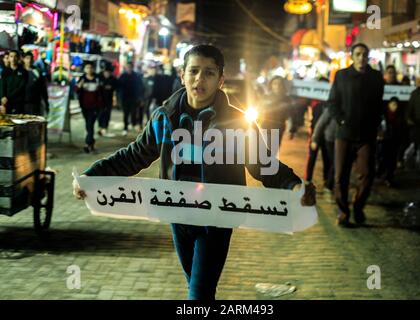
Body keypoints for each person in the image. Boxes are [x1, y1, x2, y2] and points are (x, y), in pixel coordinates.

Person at [72, 44, 316, 300]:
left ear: (220, 80)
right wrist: (92, 177)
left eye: (209, 73)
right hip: (178, 215)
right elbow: (135, 156)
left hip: (217, 218)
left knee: (198, 293)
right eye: (194, 71)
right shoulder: (163, 118)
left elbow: (263, 164)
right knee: (199, 289)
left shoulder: (237, 123)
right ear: (183, 75)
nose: (200, 79)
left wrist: (294, 185)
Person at [328, 43, 385, 227]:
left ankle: (358, 207)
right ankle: (343, 212)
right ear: (352, 56)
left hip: (366, 136)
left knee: (367, 175)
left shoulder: (376, 77)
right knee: (340, 177)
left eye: (364, 54)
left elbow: (379, 105)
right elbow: (332, 103)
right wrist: (342, 120)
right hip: (344, 134)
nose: (361, 57)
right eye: (358, 54)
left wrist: (377, 124)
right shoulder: (342, 76)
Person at [304, 77, 331, 186]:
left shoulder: (330, 99)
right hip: (315, 132)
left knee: (326, 158)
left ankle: (326, 180)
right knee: (312, 157)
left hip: (327, 134)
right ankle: (307, 179)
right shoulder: (313, 99)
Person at [376, 97, 406, 187]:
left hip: (395, 140)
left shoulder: (400, 115)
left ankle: (389, 178)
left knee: (392, 161)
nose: (394, 107)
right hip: (384, 140)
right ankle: (380, 174)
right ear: (389, 105)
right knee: (383, 158)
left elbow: (402, 128)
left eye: (396, 105)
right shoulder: (383, 115)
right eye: (393, 105)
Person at [260, 76, 295, 147]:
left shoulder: (287, 99)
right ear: (271, 85)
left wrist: (291, 130)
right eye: (275, 84)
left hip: (278, 130)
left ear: (283, 86)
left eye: (280, 84)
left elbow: (290, 116)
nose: (277, 86)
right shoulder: (266, 97)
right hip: (265, 128)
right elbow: (258, 111)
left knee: (272, 152)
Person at [76, 62, 103, 153]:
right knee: (88, 125)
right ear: (84, 69)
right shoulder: (82, 78)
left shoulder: (97, 79)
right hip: (84, 106)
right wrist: (80, 85)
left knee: (90, 124)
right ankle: (91, 143)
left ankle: (87, 144)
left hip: (95, 107)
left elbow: (100, 93)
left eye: (91, 67)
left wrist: (100, 106)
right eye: (87, 68)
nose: (89, 69)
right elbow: (76, 90)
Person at [311, 105, 337, 192]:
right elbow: (320, 124)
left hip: (342, 140)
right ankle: (329, 185)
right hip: (330, 139)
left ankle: (329, 182)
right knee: (335, 163)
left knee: (332, 163)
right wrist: (315, 139)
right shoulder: (331, 108)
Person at [118, 62, 144, 135]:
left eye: (130, 67)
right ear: (126, 68)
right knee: (126, 113)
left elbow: (140, 87)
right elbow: (119, 88)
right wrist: (119, 98)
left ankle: (133, 124)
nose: (129, 68)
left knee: (133, 113)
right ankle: (125, 127)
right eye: (127, 67)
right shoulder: (122, 76)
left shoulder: (136, 76)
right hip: (125, 98)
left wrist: (140, 98)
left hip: (134, 98)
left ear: (132, 67)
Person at [22, 51, 49, 116]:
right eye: (27, 58)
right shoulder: (20, 70)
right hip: (21, 104)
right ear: (23, 59)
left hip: (35, 104)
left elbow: (43, 88)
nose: (29, 60)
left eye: (31, 58)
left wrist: (46, 103)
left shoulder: (37, 71)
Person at [1, 50, 27, 114]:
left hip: (18, 102)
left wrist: (8, 97)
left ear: (18, 58)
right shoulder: (5, 71)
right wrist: (2, 97)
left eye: (15, 56)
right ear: (9, 58)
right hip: (6, 102)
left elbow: (21, 87)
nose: (13, 59)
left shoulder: (23, 72)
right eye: (11, 56)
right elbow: (2, 85)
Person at [98, 66, 117, 136]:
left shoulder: (113, 79)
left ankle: (104, 128)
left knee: (107, 114)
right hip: (100, 100)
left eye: (109, 72)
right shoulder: (99, 78)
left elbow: (116, 88)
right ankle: (100, 127)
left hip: (109, 100)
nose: (107, 74)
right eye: (106, 72)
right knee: (100, 114)